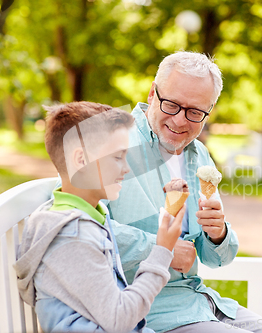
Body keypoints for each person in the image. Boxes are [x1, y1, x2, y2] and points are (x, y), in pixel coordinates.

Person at [108, 52, 262, 332]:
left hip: (201, 302)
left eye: (195, 112)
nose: (181, 121)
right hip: (148, 313)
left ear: (209, 111)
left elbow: (216, 258)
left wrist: (218, 234)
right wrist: (162, 249)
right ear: (151, 94)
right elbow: (84, 231)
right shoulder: (111, 144)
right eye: (171, 105)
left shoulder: (199, 155)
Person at [14, 102, 186, 333]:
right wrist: (163, 250)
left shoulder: (87, 220)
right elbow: (119, 319)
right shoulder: (72, 236)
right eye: (117, 157)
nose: (126, 168)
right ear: (81, 160)